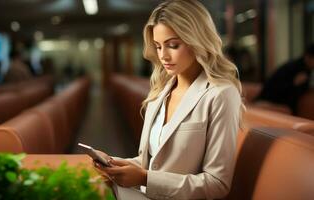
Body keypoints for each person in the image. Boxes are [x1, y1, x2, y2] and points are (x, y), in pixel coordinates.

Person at [94, 0, 244, 199]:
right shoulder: (160, 91)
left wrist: (144, 178)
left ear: (196, 40)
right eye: (158, 46)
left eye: (173, 45)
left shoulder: (221, 94)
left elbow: (217, 184)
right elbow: (155, 162)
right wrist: (116, 164)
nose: (163, 56)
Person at [256, 44, 314, 114]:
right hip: (271, 100)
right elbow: (277, 87)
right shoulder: (295, 67)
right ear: (308, 57)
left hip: (278, 101)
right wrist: (293, 83)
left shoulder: (306, 69)